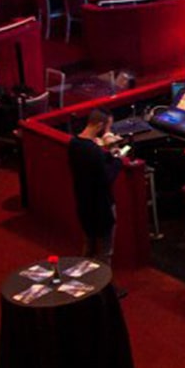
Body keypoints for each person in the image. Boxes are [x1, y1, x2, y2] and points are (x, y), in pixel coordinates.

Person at [67, 109, 124, 263]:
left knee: (88, 246)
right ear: (100, 125)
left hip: (84, 203)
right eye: (107, 127)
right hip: (101, 206)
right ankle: (103, 279)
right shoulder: (93, 151)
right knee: (105, 252)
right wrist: (117, 160)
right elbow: (107, 178)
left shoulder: (74, 144)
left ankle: (84, 275)